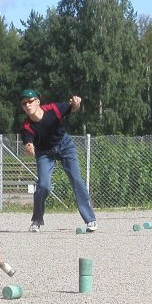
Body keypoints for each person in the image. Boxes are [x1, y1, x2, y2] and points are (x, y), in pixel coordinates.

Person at [19, 89, 97, 232]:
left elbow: (73, 107)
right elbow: (28, 147)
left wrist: (76, 103)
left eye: (30, 101)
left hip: (64, 145)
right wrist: (29, 149)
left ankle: (90, 220)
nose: (27, 105)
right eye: (24, 104)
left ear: (37, 102)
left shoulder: (53, 109)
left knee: (76, 179)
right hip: (44, 152)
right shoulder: (26, 127)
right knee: (43, 185)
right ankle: (36, 220)